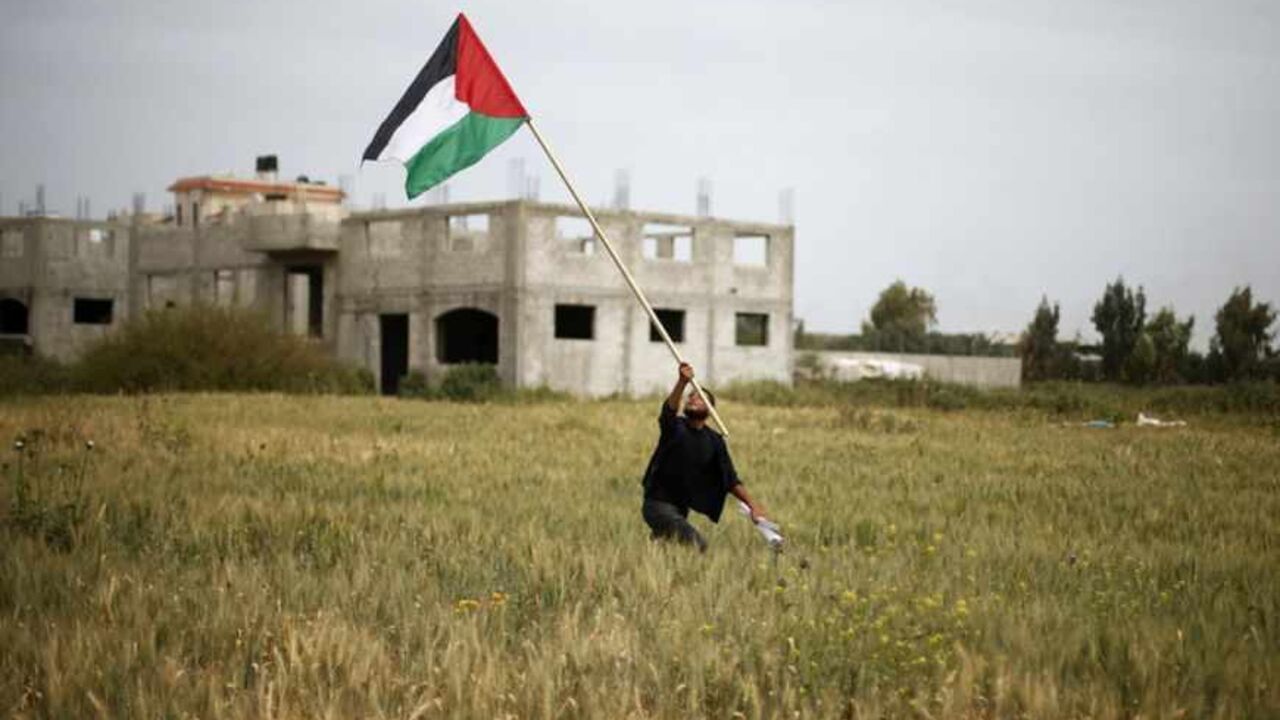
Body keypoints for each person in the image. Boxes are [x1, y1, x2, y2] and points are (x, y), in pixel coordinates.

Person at [641, 362, 765, 551]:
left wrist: (752, 506)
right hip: (658, 505)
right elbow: (668, 411)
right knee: (699, 546)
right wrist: (682, 382)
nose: (692, 399)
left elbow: (730, 479)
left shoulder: (714, 441)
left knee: (663, 551)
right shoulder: (675, 428)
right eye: (690, 397)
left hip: (681, 510)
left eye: (700, 398)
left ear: (711, 411)